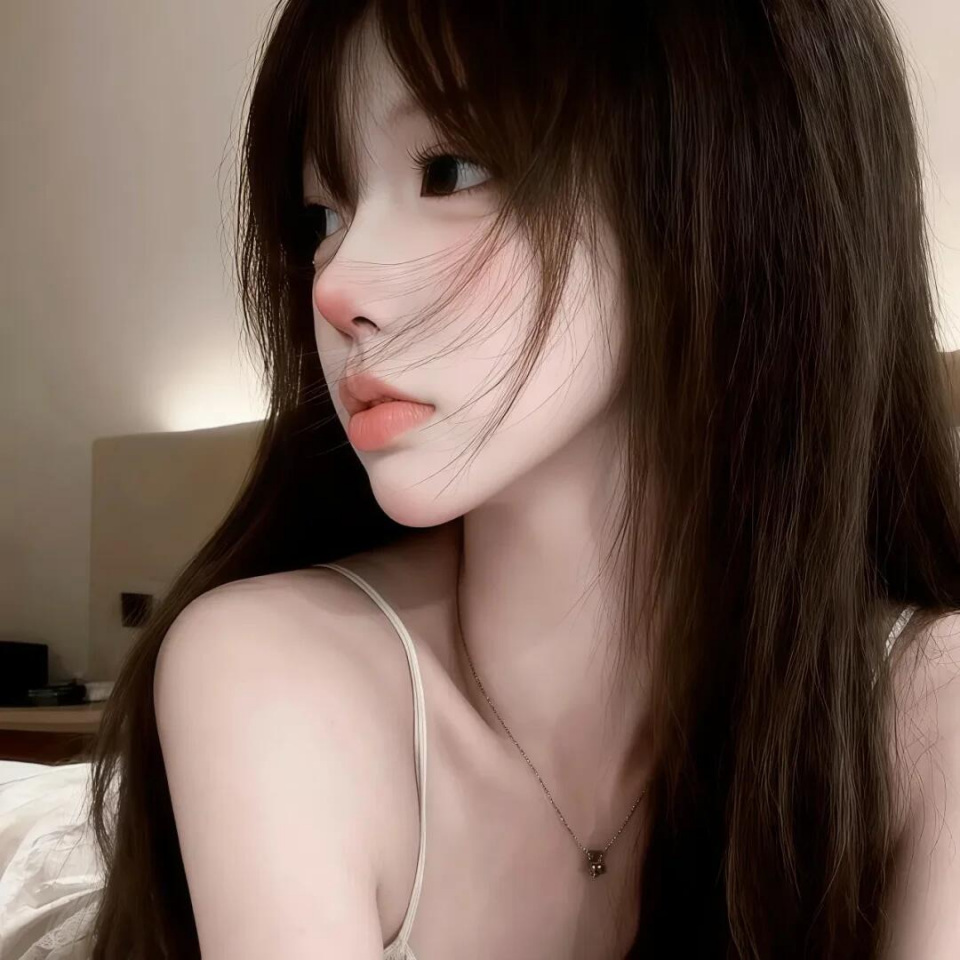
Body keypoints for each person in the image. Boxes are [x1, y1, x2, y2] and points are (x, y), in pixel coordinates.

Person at [82, 2, 960, 959]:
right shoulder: (274, 671)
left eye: (449, 171)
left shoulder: (927, 711)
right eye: (320, 217)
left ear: (737, 175)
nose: (334, 287)